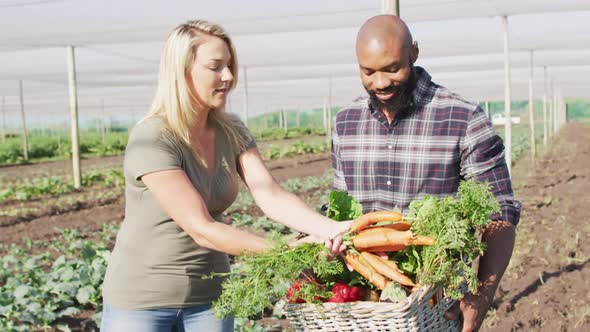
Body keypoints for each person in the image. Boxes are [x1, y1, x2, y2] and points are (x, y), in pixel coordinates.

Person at [100, 20, 350, 332]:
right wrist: (287, 250)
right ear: (182, 70)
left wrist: (336, 230)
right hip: (142, 302)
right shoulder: (152, 137)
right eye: (216, 67)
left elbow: (269, 194)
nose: (228, 77)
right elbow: (201, 228)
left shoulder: (231, 130)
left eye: (230, 66)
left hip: (211, 299)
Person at [331, 15, 521, 332]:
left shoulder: (463, 118)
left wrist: (481, 297)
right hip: (364, 306)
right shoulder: (346, 122)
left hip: (436, 303)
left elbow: (499, 213)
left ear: (413, 53)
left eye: (392, 68)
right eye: (368, 71)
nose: (380, 82)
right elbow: (336, 213)